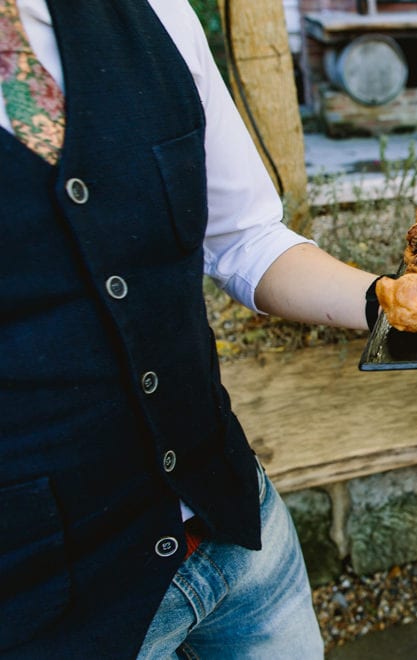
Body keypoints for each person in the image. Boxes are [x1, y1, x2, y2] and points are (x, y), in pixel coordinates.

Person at [1, 0, 381, 656]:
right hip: (53, 602)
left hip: (237, 527)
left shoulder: (158, 11)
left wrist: (393, 307)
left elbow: (245, 238)